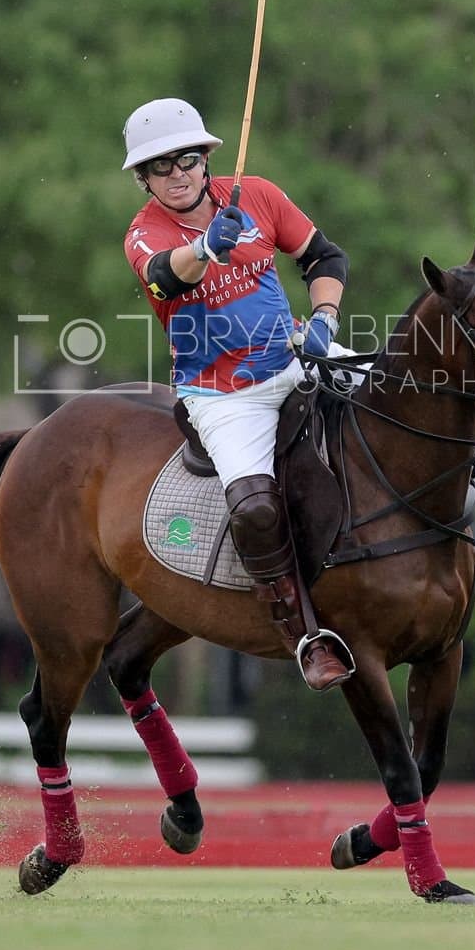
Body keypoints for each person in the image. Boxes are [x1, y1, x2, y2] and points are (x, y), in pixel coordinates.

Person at [122, 97, 353, 692]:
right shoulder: (144, 234)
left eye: (186, 159)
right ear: (143, 179)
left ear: (205, 159)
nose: (176, 174)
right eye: (160, 167)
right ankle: (304, 634)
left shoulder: (258, 195)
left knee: (401, 407)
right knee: (253, 506)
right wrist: (204, 248)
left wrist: (324, 319)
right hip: (224, 394)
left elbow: (324, 256)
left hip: (297, 355)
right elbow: (165, 277)